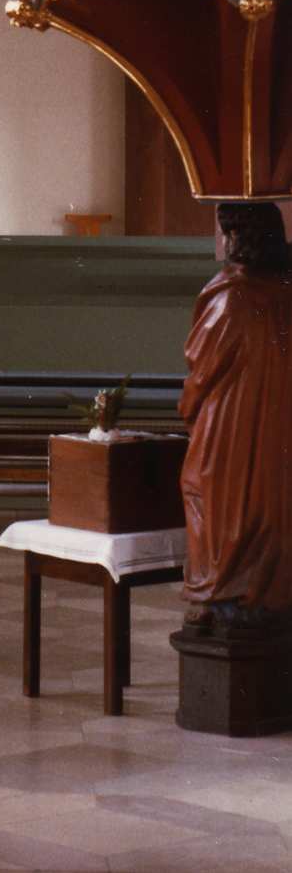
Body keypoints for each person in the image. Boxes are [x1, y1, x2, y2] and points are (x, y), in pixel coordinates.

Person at [179, 201, 292, 624]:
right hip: (281, 422)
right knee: (271, 503)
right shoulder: (284, 290)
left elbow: (202, 370)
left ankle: (222, 591)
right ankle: (268, 594)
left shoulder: (231, 299)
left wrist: (188, 406)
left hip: (230, 425)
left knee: (210, 495)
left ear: (239, 239)